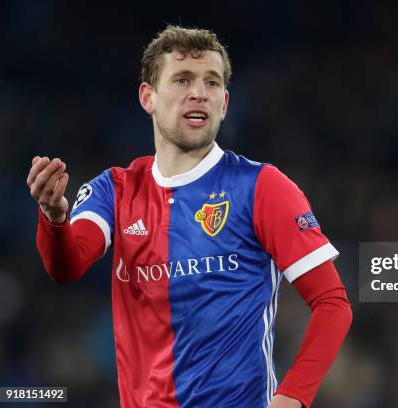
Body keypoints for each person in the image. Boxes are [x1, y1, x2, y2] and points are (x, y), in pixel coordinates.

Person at [26, 25, 352, 408]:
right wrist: (54, 218)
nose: (199, 92)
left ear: (225, 103)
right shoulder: (114, 189)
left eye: (211, 83)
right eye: (182, 80)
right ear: (148, 97)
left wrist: (292, 397)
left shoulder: (263, 187)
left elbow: (332, 304)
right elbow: (66, 266)